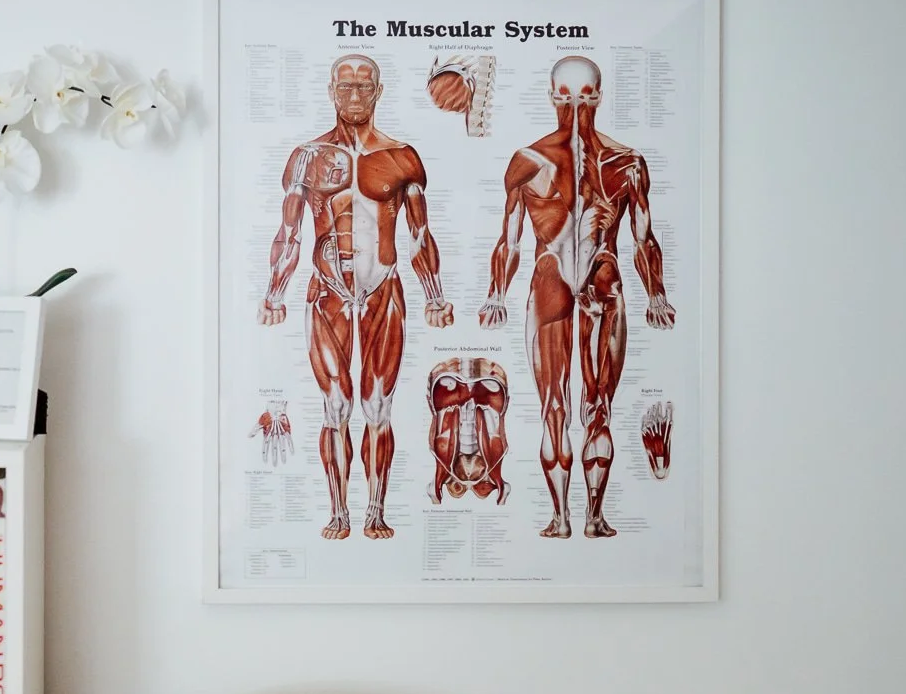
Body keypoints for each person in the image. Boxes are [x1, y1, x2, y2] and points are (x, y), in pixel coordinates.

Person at [259, 54, 452, 540]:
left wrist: (434, 295)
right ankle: (339, 512)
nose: (354, 95)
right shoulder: (306, 157)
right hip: (326, 294)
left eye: (364, 87)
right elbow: (289, 231)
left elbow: (420, 232)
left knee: (378, 407)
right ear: (330, 90)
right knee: (335, 406)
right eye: (345, 87)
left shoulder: (402, 157)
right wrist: (273, 292)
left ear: (378, 91)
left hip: (384, 289)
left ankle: (376, 511)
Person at [480, 55, 674, 538]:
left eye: (585, 96)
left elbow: (644, 237)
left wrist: (657, 295)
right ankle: (562, 516)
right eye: (566, 96)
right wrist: (495, 294)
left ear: (600, 97)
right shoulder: (528, 161)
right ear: (551, 96)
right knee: (553, 407)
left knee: (598, 405)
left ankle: (592, 515)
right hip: (551, 285)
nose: (575, 106)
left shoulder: (627, 163)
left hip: (602, 285)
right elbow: (510, 237)